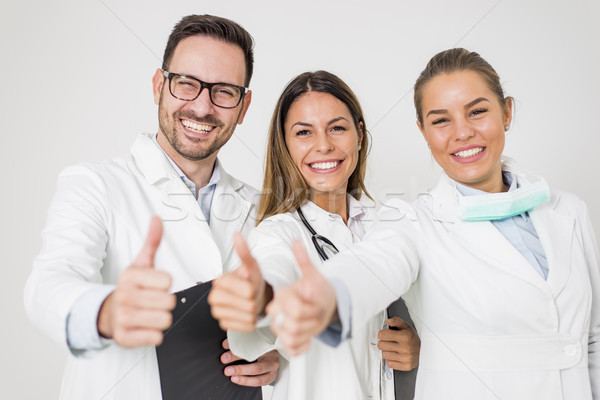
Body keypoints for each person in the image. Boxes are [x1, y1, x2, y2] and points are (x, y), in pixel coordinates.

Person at [265, 49, 600, 400]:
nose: (462, 133)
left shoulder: (569, 212)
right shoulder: (410, 222)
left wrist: (421, 348)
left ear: (507, 112)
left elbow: (590, 340)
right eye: (441, 120)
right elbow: (367, 270)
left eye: (478, 111)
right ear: (423, 131)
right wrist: (310, 298)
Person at [23, 14, 278, 400]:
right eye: (187, 84)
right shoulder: (95, 185)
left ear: (243, 107)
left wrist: (276, 357)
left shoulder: (262, 207)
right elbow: (47, 285)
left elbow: (279, 317)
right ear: (159, 86)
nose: (202, 106)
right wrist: (105, 312)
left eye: (224, 91)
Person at [208, 70, 420, 400]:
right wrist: (262, 297)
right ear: (286, 144)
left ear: (359, 135)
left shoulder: (385, 226)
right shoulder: (278, 234)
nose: (323, 145)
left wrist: (416, 346)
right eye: (304, 132)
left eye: (337, 128)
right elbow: (272, 270)